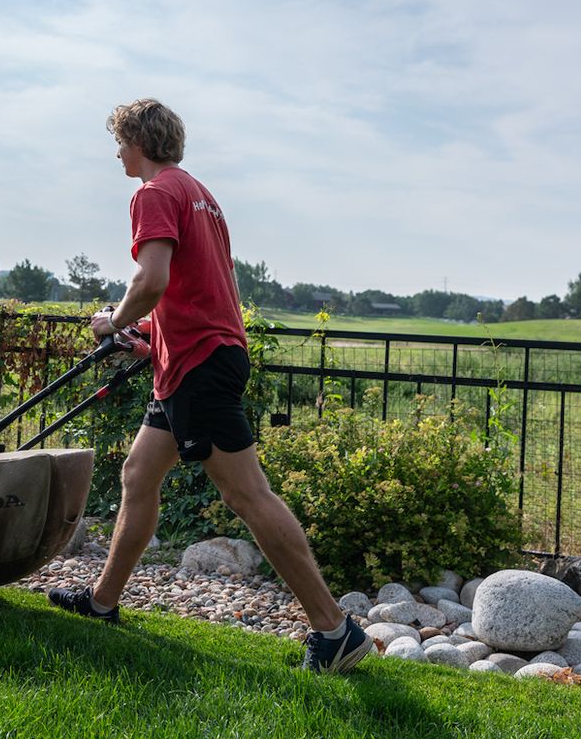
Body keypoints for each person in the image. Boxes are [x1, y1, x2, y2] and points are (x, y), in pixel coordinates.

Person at [48, 98, 370, 673]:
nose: (116, 152)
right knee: (139, 473)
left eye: (119, 141)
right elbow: (193, 287)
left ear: (138, 141)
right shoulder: (199, 194)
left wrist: (114, 321)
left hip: (200, 364)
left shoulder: (152, 193)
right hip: (192, 358)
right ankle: (102, 602)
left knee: (246, 494)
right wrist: (148, 335)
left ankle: (334, 628)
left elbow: (151, 279)